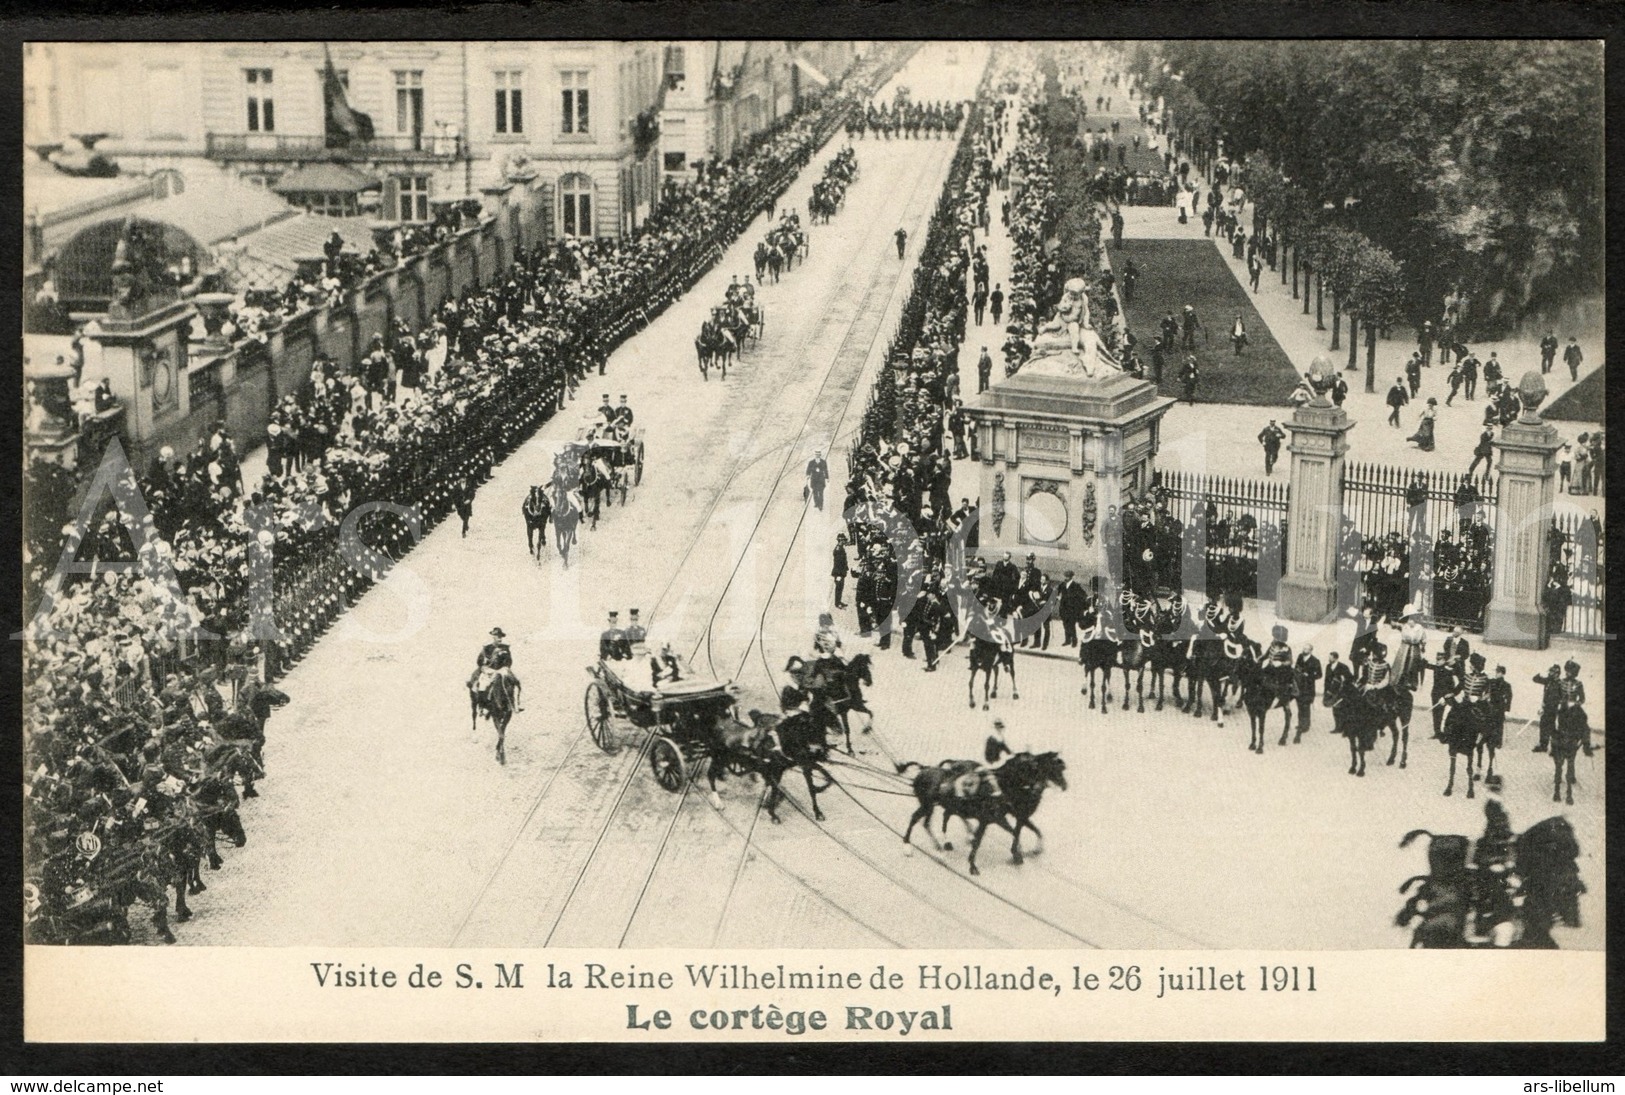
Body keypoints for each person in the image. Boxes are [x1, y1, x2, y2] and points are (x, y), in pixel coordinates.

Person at [468, 627, 522, 710]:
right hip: (490, 670)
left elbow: (509, 661)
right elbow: (479, 661)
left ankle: (516, 704)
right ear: (493, 637)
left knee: (515, 681)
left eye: (500, 636)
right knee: (483, 684)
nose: (499, 638)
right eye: (497, 636)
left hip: (502, 669)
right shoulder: (486, 648)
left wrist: (505, 667)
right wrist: (485, 668)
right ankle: (482, 707)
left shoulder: (505, 648)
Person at [1532, 663, 1564, 753]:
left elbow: (1561, 698)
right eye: (1549, 671)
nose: (1549, 673)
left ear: (1557, 674)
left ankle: (1556, 747)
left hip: (1552, 709)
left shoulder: (1560, 684)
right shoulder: (1548, 681)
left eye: (1552, 672)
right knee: (1543, 726)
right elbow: (1535, 679)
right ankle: (1543, 745)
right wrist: (1540, 671)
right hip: (1545, 708)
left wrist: (1550, 706)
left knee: (1551, 728)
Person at [1293, 643, 1322, 737]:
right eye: (1303, 648)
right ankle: (1300, 723)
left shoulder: (1315, 661)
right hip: (1299, 686)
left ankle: (1306, 725)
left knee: (1306, 707)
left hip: (1308, 688)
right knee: (1299, 706)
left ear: (1310, 650)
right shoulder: (1300, 657)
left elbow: (1319, 674)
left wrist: (1309, 676)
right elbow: (1296, 667)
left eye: (1306, 649)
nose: (1304, 650)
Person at [831, 533, 850, 608]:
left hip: (841, 572)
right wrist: (838, 575)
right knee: (838, 588)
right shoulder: (839, 549)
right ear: (840, 540)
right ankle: (837, 603)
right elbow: (838, 563)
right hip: (838, 573)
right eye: (844, 540)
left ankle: (839, 601)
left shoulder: (840, 548)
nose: (845, 542)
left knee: (840, 588)